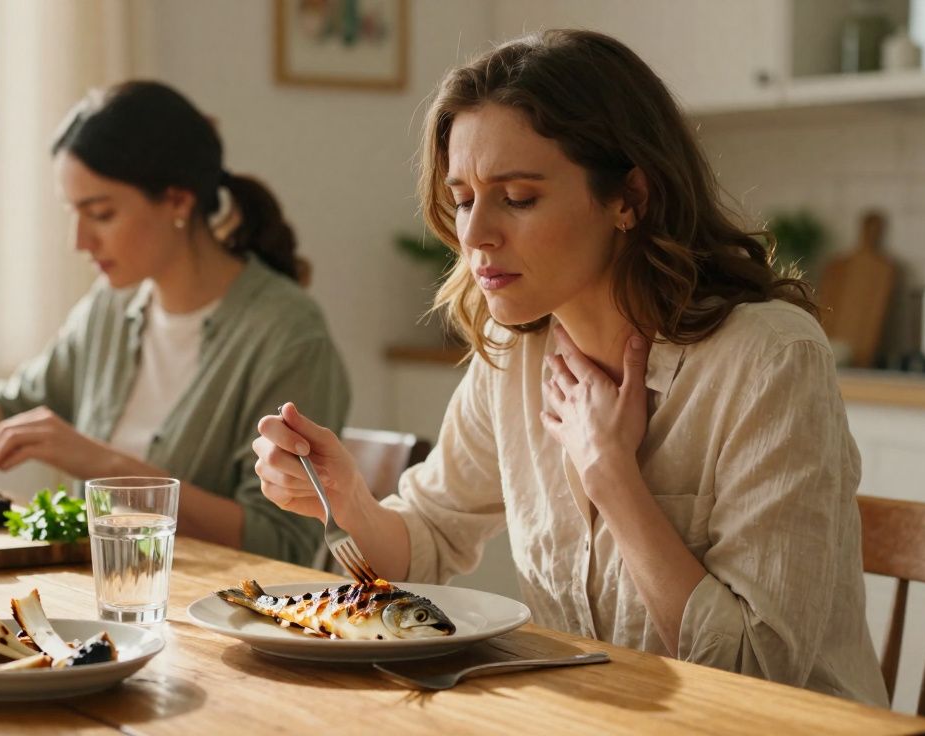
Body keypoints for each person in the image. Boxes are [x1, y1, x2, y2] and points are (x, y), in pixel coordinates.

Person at [252, 30, 888, 704]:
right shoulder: (516, 351)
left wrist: (611, 476)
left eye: (518, 198)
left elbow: (758, 674)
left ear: (628, 199)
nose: (473, 236)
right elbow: (428, 539)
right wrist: (348, 500)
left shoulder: (768, 361)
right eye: (464, 198)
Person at [0, 81, 349, 564]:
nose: (79, 241)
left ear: (179, 202)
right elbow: (10, 419)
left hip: (215, 616)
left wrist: (104, 467)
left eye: (100, 213)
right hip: (101, 598)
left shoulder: (287, 334)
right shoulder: (109, 309)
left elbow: (283, 542)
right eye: (73, 213)